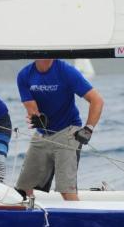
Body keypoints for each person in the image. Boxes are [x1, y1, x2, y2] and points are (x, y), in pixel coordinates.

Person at [15, 59, 104, 201]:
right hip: (42, 133)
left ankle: (77, 219)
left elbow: (97, 100)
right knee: (23, 188)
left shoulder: (66, 71)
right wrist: (36, 116)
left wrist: (88, 129)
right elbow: (31, 109)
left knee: (66, 190)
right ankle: (34, 217)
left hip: (68, 130)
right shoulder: (24, 75)